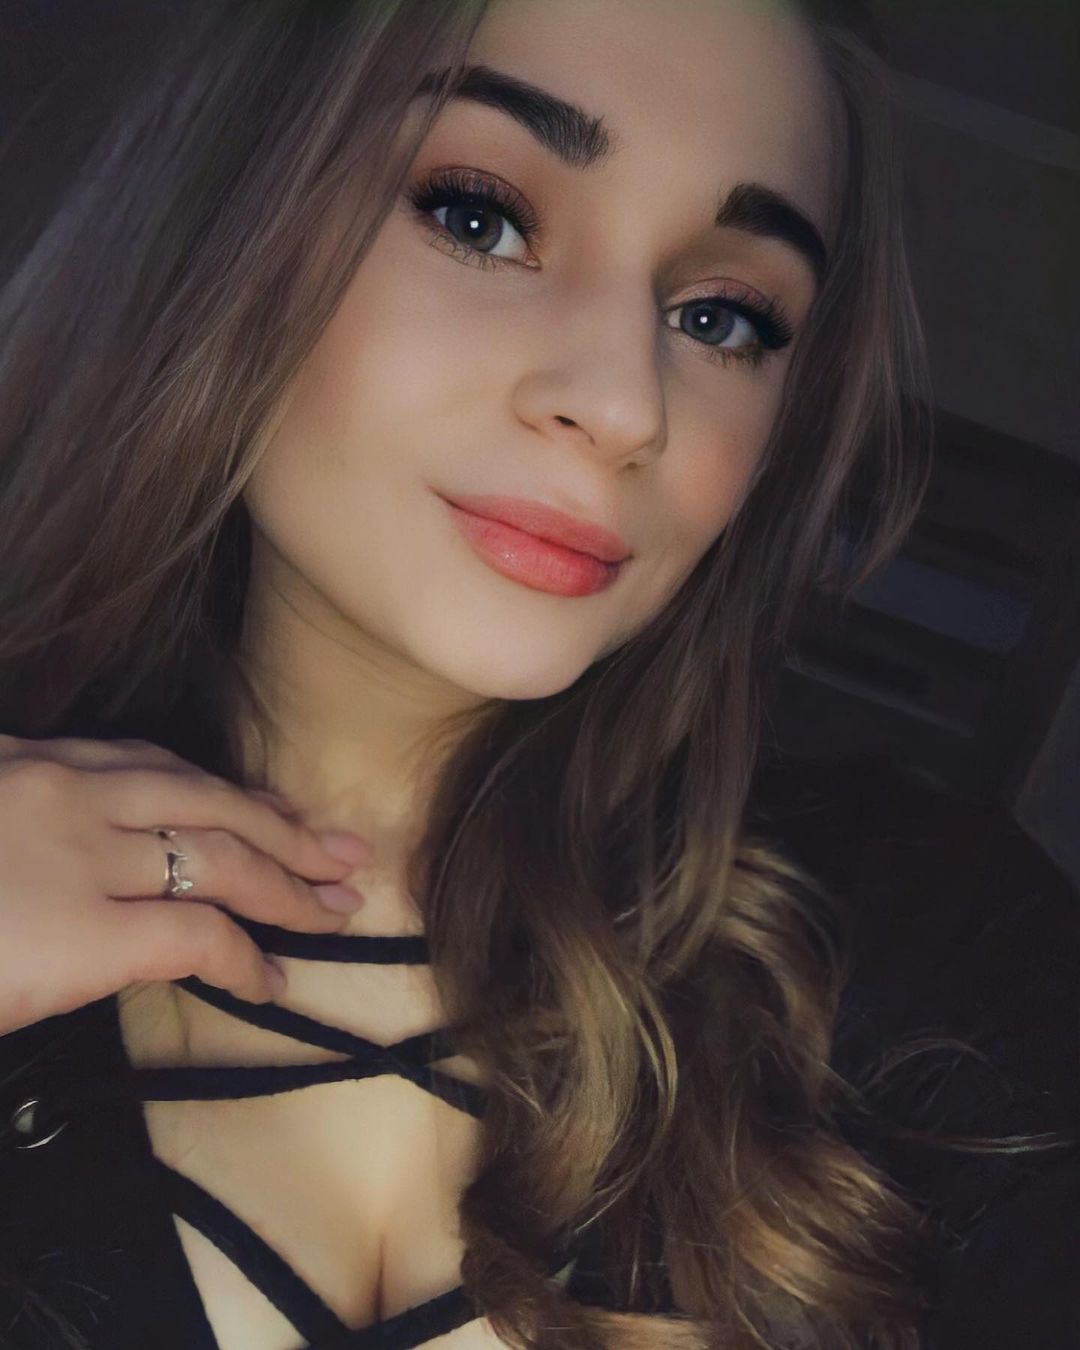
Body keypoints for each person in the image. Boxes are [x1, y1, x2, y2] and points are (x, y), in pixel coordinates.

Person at [0, 1, 1074, 1347]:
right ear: (231, 209)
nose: (625, 404)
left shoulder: (943, 952)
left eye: (719, 316)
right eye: (478, 217)